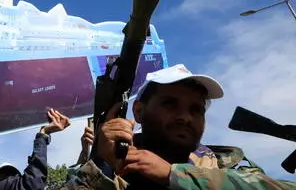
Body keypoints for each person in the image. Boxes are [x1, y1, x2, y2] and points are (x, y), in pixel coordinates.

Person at [62, 64, 296, 190]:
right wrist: (104, 168)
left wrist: (174, 176)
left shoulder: (230, 165)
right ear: (139, 111)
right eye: (169, 104)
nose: (185, 117)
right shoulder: (112, 169)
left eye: (196, 109)